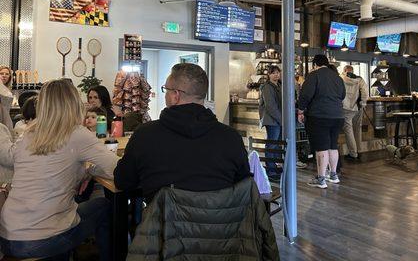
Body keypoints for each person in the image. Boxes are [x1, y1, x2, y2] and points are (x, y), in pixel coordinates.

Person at [0, 79, 119, 261]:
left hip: (8, 236)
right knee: (103, 207)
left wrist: (86, 172)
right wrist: (91, 171)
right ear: (73, 103)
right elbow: (116, 170)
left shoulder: (29, 135)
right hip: (41, 239)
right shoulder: (77, 134)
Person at [114, 63, 250, 200]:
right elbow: (243, 186)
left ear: (175, 96)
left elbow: (123, 182)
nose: (165, 95)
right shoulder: (231, 138)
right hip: (222, 220)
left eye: (166, 90)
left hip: (163, 220)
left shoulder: (145, 135)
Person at [297, 54, 345, 189]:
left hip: (319, 116)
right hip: (338, 116)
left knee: (321, 148)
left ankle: (321, 179)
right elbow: (342, 95)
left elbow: (305, 95)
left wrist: (300, 110)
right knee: (332, 146)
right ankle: (333, 175)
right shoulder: (337, 77)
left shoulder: (314, 75)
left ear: (315, 64)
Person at [259, 65, 282, 181]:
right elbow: (270, 106)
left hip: (278, 119)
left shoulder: (279, 85)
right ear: (269, 74)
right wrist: (281, 120)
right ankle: (271, 171)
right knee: (271, 144)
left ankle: (275, 168)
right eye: (273, 73)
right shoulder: (267, 87)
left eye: (278, 72)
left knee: (276, 144)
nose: (276, 74)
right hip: (272, 120)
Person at [341, 65, 369, 163]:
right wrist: (363, 103)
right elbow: (365, 92)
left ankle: (353, 153)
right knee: (357, 129)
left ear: (344, 70)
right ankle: (359, 150)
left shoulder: (341, 78)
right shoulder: (359, 79)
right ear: (352, 71)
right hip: (357, 107)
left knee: (348, 130)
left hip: (345, 107)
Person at [0, 66, 13, 130]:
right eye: (1, 73)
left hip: (6, 120)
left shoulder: (7, 90)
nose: (4, 76)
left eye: (7, 74)